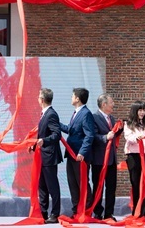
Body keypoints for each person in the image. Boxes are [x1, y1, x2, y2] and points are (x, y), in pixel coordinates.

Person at [60, 87, 95, 217]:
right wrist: (56, 123)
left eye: (72, 96)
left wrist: (82, 152)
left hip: (80, 156)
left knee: (82, 183)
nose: (71, 98)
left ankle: (87, 211)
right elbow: (70, 130)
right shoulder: (76, 113)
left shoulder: (86, 114)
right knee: (73, 183)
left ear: (78, 98)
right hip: (71, 154)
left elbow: (89, 135)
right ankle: (76, 211)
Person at [32, 88, 61, 224]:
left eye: (38, 96)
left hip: (50, 156)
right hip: (43, 156)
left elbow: (56, 134)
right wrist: (33, 145)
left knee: (52, 186)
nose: (37, 99)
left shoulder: (51, 114)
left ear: (42, 100)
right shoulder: (44, 114)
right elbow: (42, 135)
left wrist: (44, 141)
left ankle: (55, 214)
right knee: (42, 186)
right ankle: (43, 213)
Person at [91, 93, 122, 221]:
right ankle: (97, 212)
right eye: (111, 102)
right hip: (99, 160)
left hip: (111, 159)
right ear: (104, 104)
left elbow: (113, 135)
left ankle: (109, 214)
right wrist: (105, 137)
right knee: (98, 186)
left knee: (111, 187)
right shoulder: (94, 117)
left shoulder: (112, 119)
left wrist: (120, 129)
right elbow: (93, 136)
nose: (113, 104)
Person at [123, 100, 145, 222]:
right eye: (140, 110)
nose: (142, 112)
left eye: (144, 110)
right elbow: (128, 137)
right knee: (135, 183)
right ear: (135, 111)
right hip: (134, 156)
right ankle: (136, 211)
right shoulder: (128, 125)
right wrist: (136, 138)